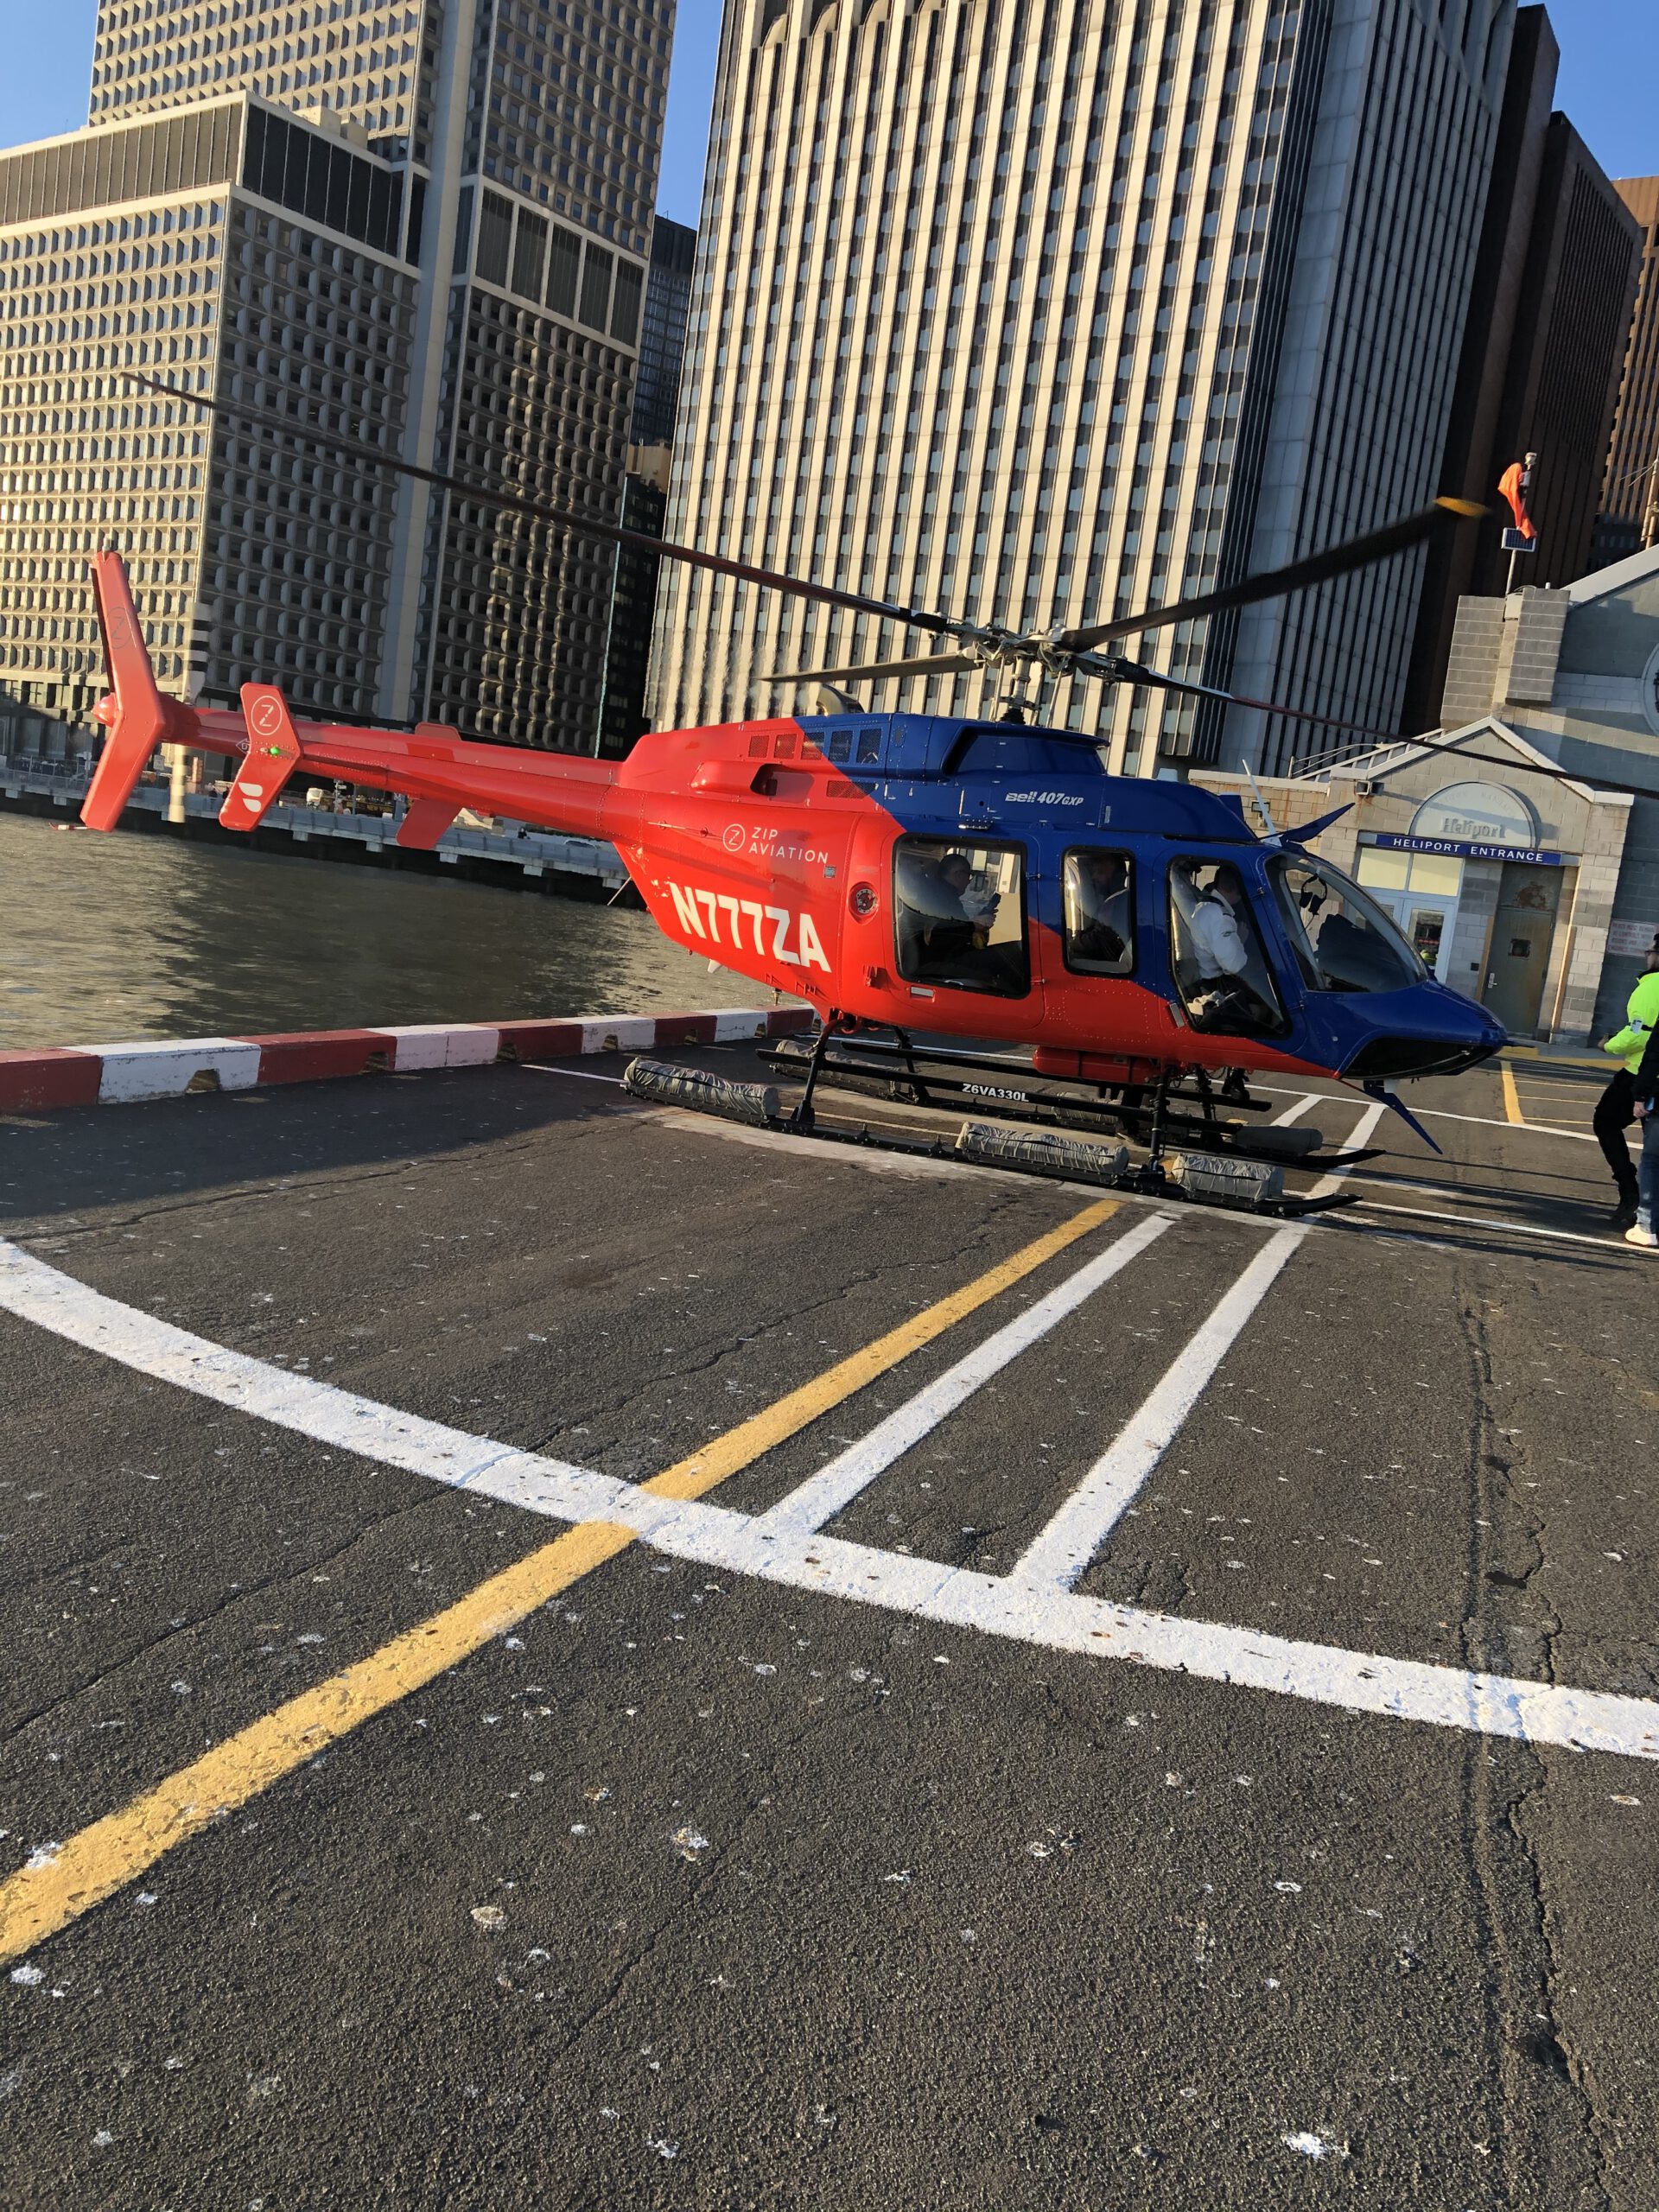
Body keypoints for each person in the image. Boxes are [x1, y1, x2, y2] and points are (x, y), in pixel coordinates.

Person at [1597, 951, 1659, 1231]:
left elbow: (1639, 1034)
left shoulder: (1651, 986)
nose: (1647, 956)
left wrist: (1608, 1045)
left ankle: (1631, 1194)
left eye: (1651, 952)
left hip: (1641, 1074)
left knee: (1606, 1123)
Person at [1070, 852, 1131, 969]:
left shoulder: (1115, 903)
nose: (1094, 877)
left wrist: (1070, 943)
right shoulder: (1124, 899)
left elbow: (1097, 938)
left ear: (1117, 876)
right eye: (1094, 872)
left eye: (1101, 872)